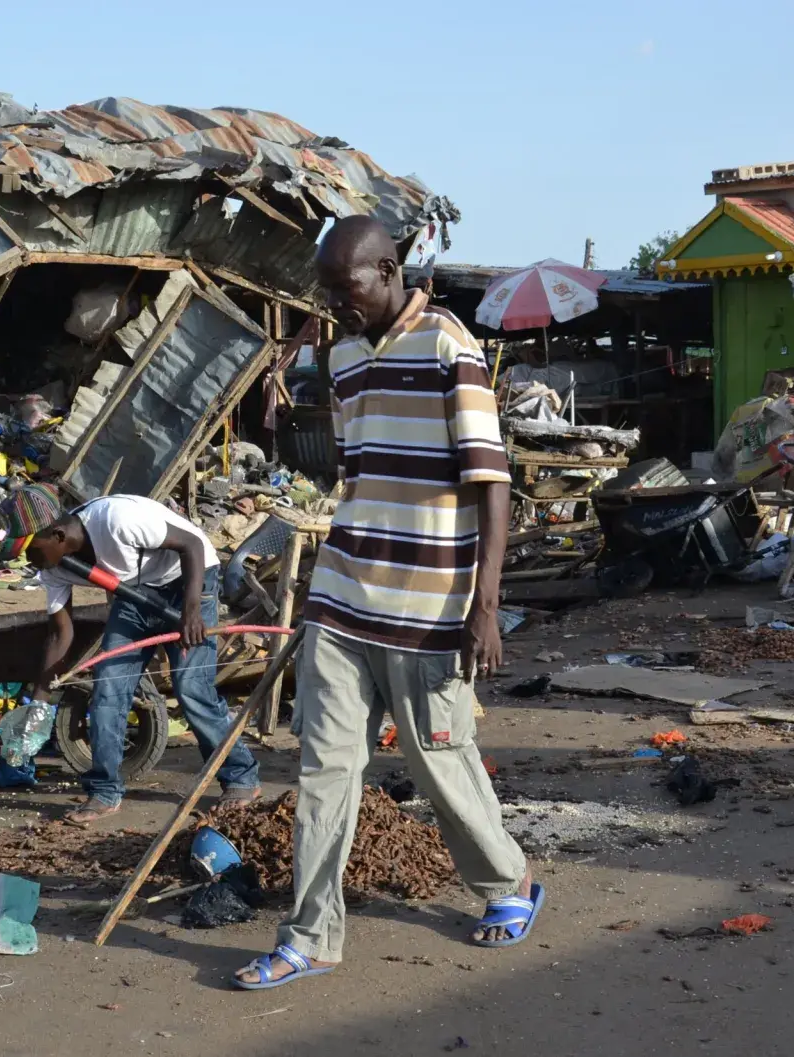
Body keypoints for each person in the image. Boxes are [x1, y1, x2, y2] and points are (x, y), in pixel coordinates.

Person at [233, 216, 539, 990]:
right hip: (342, 598)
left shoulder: (449, 346)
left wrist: (487, 602)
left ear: (391, 270)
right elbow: (360, 475)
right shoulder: (340, 356)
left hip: (431, 605)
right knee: (323, 769)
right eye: (328, 293)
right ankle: (311, 935)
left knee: (439, 760)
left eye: (350, 289)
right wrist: (316, 585)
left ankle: (508, 883)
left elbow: (490, 479)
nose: (338, 306)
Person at [0, 485, 259, 826]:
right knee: (108, 691)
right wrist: (39, 702)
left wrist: (192, 610)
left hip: (189, 580)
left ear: (57, 534)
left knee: (192, 688)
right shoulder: (54, 568)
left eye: (29, 549)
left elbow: (192, 545)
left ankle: (240, 777)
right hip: (134, 597)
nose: (26, 560)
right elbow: (61, 633)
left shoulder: (118, 519)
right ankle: (104, 791)